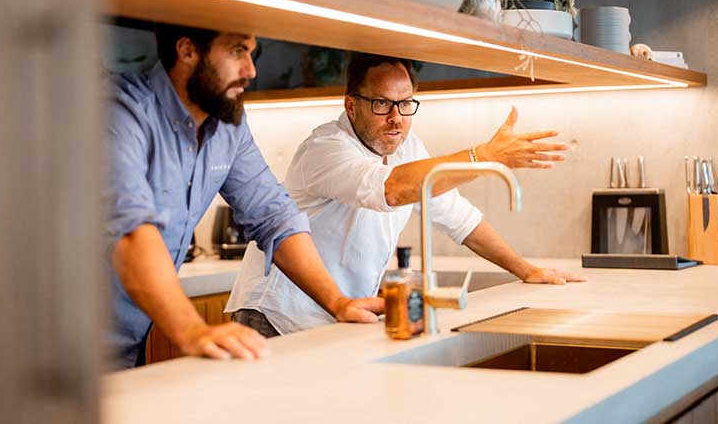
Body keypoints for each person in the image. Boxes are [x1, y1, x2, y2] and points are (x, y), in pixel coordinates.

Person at [226, 53, 586, 336]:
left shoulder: (407, 147)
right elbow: (392, 190)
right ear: (351, 105)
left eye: (405, 103)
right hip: (275, 316)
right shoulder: (326, 147)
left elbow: (459, 219)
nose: (396, 118)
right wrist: (484, 156)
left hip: (336, 314)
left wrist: (527, 270)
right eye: (382, 104)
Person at [105, 26, 383, 368]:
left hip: (128, 342)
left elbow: (274, 215)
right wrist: (193, 330)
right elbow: (130, 232)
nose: (251, 71)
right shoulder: (118, 113)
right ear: (187, 50)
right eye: (238, 52)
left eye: (252, 54)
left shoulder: (227, 125)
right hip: (51, 336)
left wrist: (338, 302)